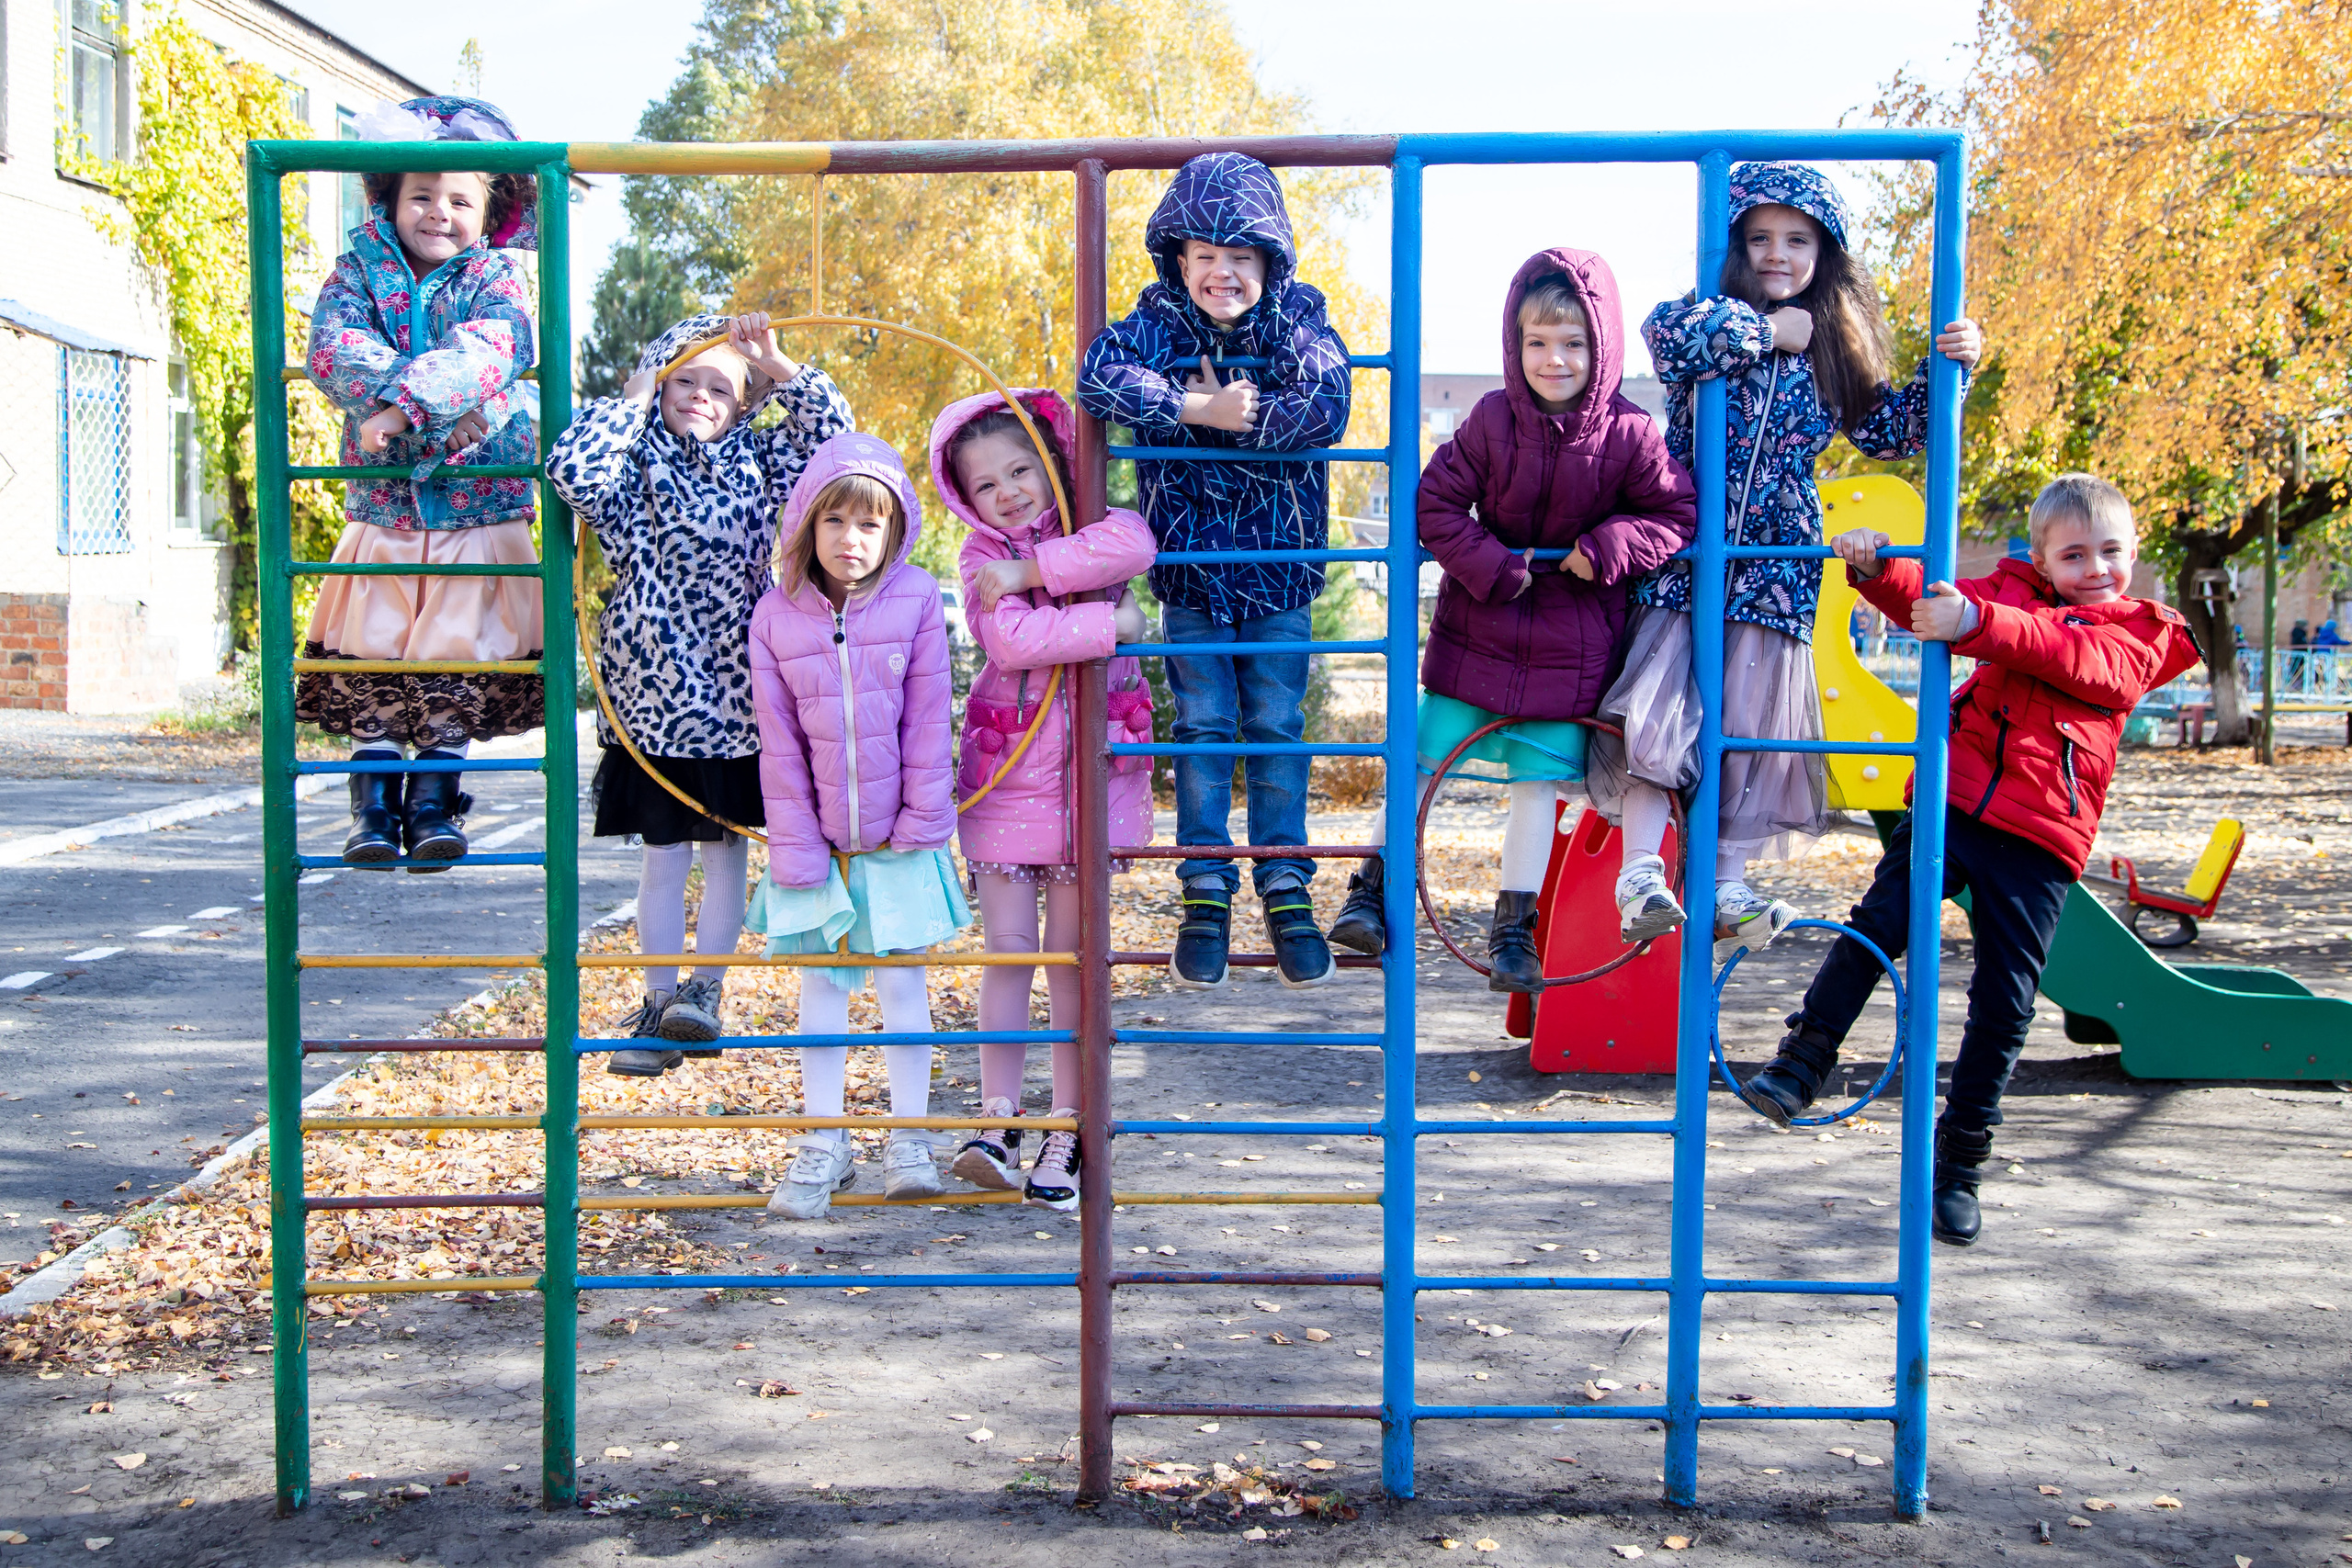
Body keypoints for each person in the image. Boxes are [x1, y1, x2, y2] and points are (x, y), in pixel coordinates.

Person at [1743, 474, 2199, 1245]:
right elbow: (1933, 597)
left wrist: (1979, 621)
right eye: (2075, 555)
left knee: (2006, 999)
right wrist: (1873, 569)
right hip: (1953, 802)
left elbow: (2074, 657)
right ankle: (1803, 1058)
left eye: (2110, 552)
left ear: (2134, 554)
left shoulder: (2141, 633)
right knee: (1876, 923)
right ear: (2044, 561)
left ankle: (1960, 1160)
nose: (2095, 569)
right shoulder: (2013, 591)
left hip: (2040, 835)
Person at [1585, 162, 1984, 964]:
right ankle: (1640, 873)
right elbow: (1669, 339)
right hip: (1691, 547)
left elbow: (1893, 429)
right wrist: (1766, 332)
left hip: (1773, 566)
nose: (1776, 253)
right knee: (1661, 714)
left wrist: (1957, 367)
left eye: (1797, 240)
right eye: (1760, 237)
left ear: (1824, 254)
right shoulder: (1708, 319)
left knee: (1746, 726)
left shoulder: (1833, 352)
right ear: (1734, 247)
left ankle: (1726, 882)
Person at [1326, 251, 1695, 980]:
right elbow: (1434, 502)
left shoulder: (1630, 433)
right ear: (1513, 345)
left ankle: (1514, 928)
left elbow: (1675, 512)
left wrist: (1605, 548)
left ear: (1602, 347)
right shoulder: (1493, 419)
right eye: (1536, 343)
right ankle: (1369, 893)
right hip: (1480, 634)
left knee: (1534, 785)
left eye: (1573, 343)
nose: (1553, 360)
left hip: (1573, 649)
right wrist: (1495, 565)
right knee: (1421, 763)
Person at [548, 311, 852, 1074]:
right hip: (651, 691)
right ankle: (656, 1002)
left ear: (745, 401)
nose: (701, 397)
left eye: (721, 387)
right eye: (685, 380)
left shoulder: (762, 461)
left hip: (739, 692)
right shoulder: (630, 454)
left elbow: (838, 439)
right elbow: (571, 474)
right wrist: (635, 393)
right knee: (662, 855)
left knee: (722, 854)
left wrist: (778, 363)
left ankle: (703, 994)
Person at [1077, 152, 1353, 990]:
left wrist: (1240, 420)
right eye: (1204, 256)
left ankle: (1284, 881)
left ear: (1269, 262)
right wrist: (1196, 405)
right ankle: (1204, 885)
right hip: (1196, 573)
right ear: (1177, 262)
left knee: (1274, 720)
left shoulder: (1297, 319)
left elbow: (1328, 403)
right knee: (1202, 725)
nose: (1221, 273)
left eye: (1241, 257)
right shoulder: (1157, 322)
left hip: (1278, 571)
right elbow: (1098, 374)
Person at [298, 96, 544, 870]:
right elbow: (333, 342)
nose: (439, 212)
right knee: (375, 649)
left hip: (477, 508)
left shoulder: (496, 277)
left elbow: (492, 349)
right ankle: (372, 806)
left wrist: (405, 410)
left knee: (454, 654)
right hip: (389, 507)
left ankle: (436, 801)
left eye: (460, 199)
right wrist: (397, 400)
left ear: (490, 210)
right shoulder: (358, 270)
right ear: (391, 199)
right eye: (422, 195)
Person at [928, 389, 1154, 1210]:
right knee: (1009, 950)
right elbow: (1014, 639)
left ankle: (1067, 1127)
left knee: (1070, 962)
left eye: (1021, 469)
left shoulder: (1101, 523)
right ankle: (997, 1120)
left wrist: (1033, 572)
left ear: (1054, 464)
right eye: (986, 484)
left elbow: (1134, 543)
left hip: (1094, 785)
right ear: (966, 499)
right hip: (1009, 781)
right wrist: (1112, 626)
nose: (1009, 493)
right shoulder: (976, 554)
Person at [746, 434, 965, 1217]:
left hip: (900, 837)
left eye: (869, 524)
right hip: (819, 840)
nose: (851, 539)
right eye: (834, 520)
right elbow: (779, 742)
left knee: (903, 985)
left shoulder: (913, 601)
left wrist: (922, 817)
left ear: (894, 530)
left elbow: (928, 718)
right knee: (822, 992)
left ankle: (909, 1136)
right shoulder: (775, 616)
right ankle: (824, 1138)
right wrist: (798, 845)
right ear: (808, 525)